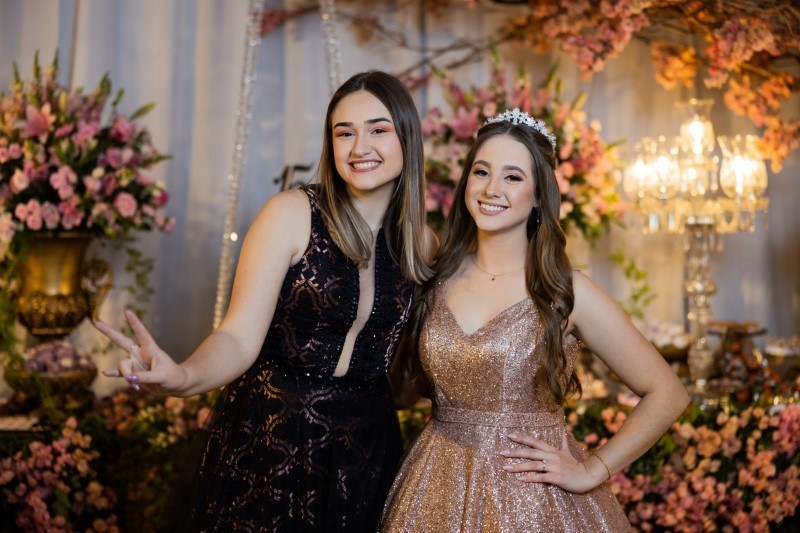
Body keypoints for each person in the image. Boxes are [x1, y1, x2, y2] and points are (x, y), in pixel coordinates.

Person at [95, 70, 435, 532]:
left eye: (378, 130)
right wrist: (183, 377)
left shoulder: (423, 245)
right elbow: (238, 336)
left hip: (365, 454)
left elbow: (421, 369)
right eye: (344, 133)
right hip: (274, 440)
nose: (360, 147)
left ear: (407, 138)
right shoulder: (290, 214)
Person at [381, 108, 690, 532]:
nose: (491, 189)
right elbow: (401, 387)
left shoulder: (565, 291)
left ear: (539, 195)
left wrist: (592, 469)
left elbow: (668, 393)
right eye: (481, 172)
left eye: (513, 177)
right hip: (435, 488)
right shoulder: (434, 278)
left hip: (532, 501)